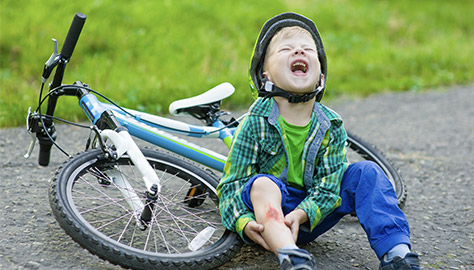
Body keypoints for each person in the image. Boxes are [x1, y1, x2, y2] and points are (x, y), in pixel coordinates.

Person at [217, 12, 420, 270]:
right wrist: (243, 223)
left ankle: (397, 254)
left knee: (367, 172)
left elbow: (329, 186)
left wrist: (301, 215)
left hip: (312, 213)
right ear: (265, 75)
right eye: (287, 49)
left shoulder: (331, 125)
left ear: (321, 77)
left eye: (307, 50)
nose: (299, 52)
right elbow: (232, 186)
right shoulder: (254, 123)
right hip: (267, 221)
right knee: (263, 183)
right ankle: (291, 257)